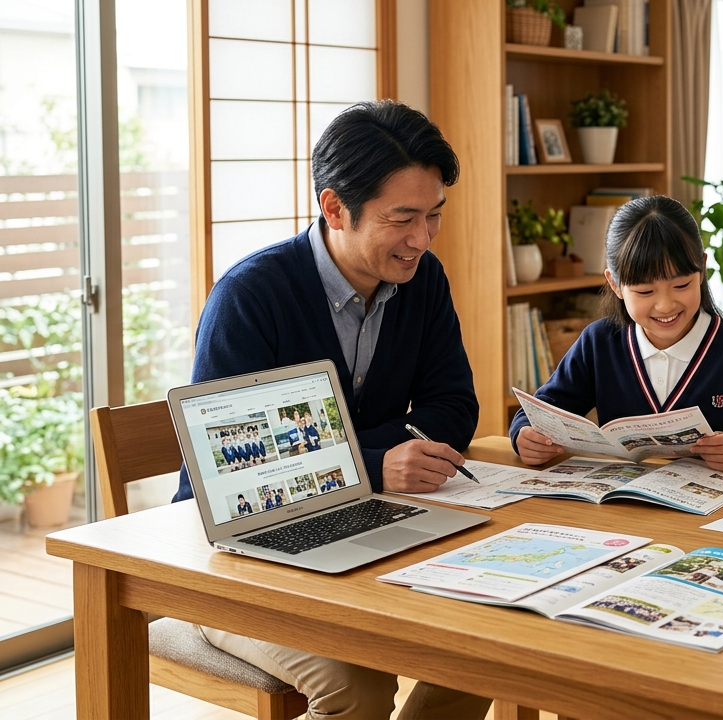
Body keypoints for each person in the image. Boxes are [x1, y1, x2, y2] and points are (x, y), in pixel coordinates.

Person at [173, 100, 490, 719]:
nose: (421, 240)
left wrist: (326, 455)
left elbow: (454, 406)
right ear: (334, 207)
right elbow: (241, 473)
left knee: (489, 644)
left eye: (433, 217)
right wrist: (375, 463)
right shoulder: (250, 296)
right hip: (230, 559)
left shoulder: (422, 281)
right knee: (356, 685)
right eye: (403, 219)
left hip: (364, 526)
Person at [510, 195, 723, 472]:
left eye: (681, 285)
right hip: (623, 507)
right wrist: (524, 435)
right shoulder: (600, 342)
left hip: (715, 511)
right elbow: (538, 413)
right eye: (645, 292)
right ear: (615, 284)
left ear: (701, 269)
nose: (665, 305)